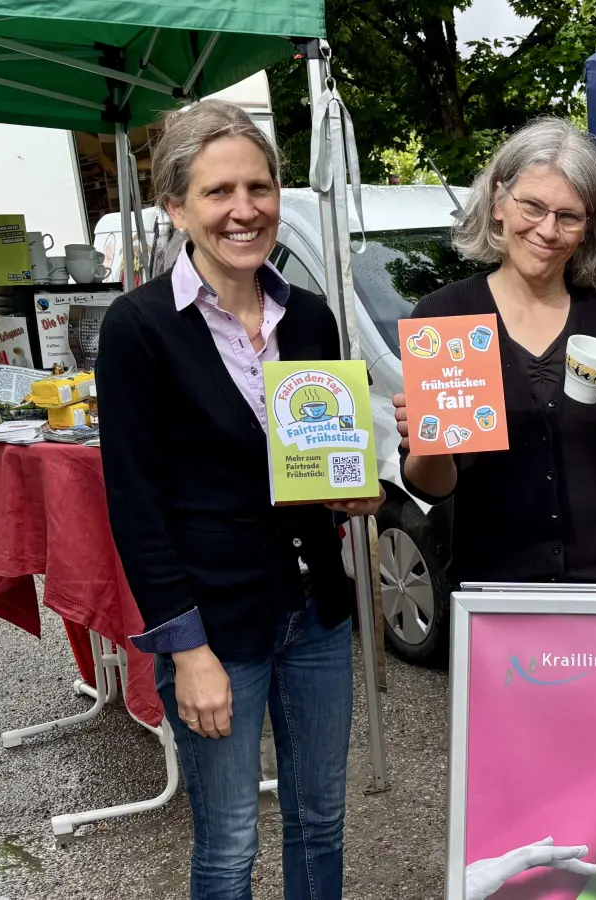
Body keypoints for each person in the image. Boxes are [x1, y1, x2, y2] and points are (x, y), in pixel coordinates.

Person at [96, 99, 383, 900]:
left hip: (317, 611)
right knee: (228, 842)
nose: (245, 209)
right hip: (215, 626)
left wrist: (351, 493)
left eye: (259, 187)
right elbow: (135, 508)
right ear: (177, 208)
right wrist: (186, 653)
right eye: (220, 192)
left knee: (320, 820)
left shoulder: (311, 316)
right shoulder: (140, 328)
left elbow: (309, 468)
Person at [392, 117, 596, 588]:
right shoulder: (444, 318)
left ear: (588, 227)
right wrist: (426, 440)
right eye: (533, 207)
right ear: (499, 202)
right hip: (494, 590)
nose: (547, 229)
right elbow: (432, 488)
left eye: (568, 216)